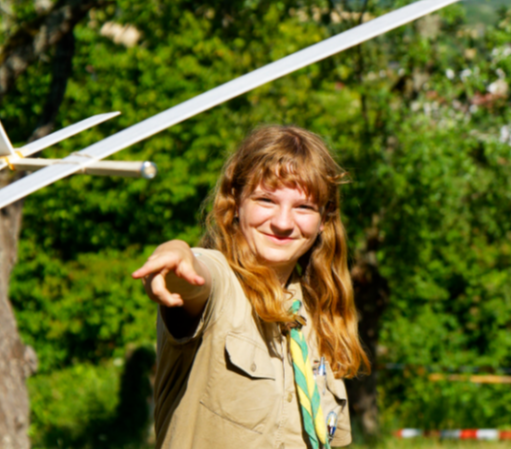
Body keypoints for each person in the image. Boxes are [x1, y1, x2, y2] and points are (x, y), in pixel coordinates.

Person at [132, 125, 369, 449]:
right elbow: (192, 277)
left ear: (324, 220)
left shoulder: (319, 314)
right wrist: (174, 253)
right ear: (235, 203)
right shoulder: (220, 284)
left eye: (303, 207)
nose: (284, 222)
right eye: (266, 200)